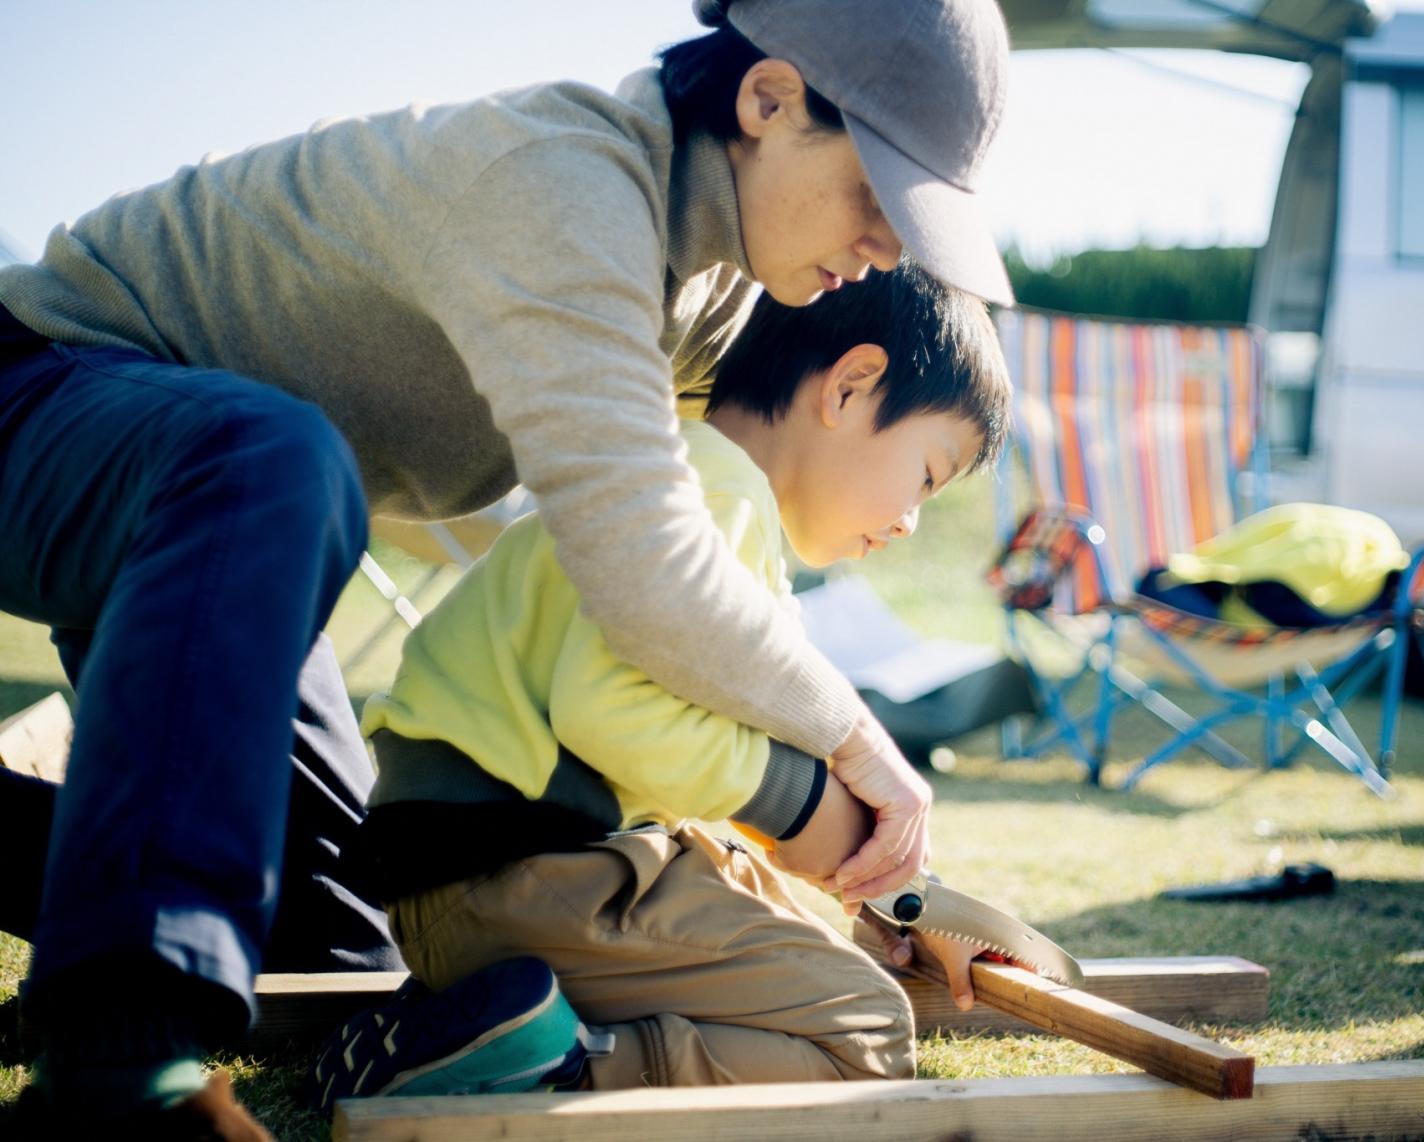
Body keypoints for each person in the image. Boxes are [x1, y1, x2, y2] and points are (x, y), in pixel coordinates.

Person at [0, 0, 1013, 1133]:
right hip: (52, 398)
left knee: (347, 930)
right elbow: (649, 561)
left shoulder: (711, 288)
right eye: (879, 192)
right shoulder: (568, 190)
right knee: (277, 456)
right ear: (769, 102)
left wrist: (902, 885)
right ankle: (119, 1068)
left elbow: (721, 614)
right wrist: (857, 758)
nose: (888, 246)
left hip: (216, 550)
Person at [311, 263, 1009, 1103]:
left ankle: (484, 1017)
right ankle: (541, 1059)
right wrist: (794, 802)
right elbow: (610, 711)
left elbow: (722, 757)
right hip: (513, 874)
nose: (909, 520)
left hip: (491, 878)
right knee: (863, 1032)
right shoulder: (712, 493)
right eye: (927, 475)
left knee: (768, 910)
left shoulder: (680, 479)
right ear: (852, 387)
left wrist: (905, 900)